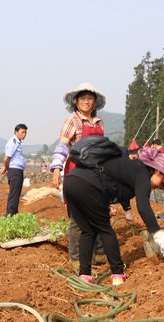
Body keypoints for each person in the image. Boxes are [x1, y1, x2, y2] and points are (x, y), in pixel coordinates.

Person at [63, 146, 164, 286]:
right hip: (88, 184)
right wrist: (158, 233)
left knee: (88, 231)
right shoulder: (143, 173)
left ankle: (84, 274)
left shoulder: (132, 168)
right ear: (158, 171)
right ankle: (118, 274)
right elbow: (143, 206)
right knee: (105, 230)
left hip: (71, 181)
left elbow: (113, 185)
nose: (161, 187)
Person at [49, 82, 107, 269]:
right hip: (77, 173)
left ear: (95, 102)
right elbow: (63, 145)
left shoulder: (99, 122)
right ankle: (75, 256)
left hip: (96, 173)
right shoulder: (72, 121)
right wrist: (56, 169)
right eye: (82, 98)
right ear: (75, 101)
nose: (86, 102)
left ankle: (98, 252)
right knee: (77, 217)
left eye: (89, 98)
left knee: (98, 212)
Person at [1, 124, 27, 216]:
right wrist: (5, 167)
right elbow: (7, 157)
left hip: (17, 170)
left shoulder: (18, 142)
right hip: (15, 171)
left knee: (16, 194)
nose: (24, 134)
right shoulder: (14, 142)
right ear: (15, 132)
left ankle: (14, 214)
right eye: (22, 132)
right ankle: (10, 216)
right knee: (14, 194)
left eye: (25, 132)